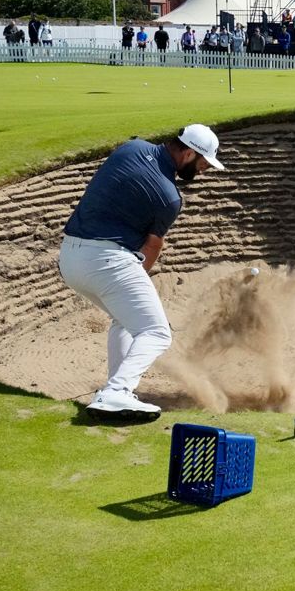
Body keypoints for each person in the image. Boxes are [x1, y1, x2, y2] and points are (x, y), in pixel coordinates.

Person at [58, 125, 226, 416]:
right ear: (188, 153)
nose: (204, 171)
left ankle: (115, 389)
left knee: (125, 320)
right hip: (107, 261)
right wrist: (139, 282)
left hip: (70, 257)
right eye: (203, 163)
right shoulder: (169, 197)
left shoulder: (129, 148)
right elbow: (151, 248)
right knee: (156, 332)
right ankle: (116, 393)